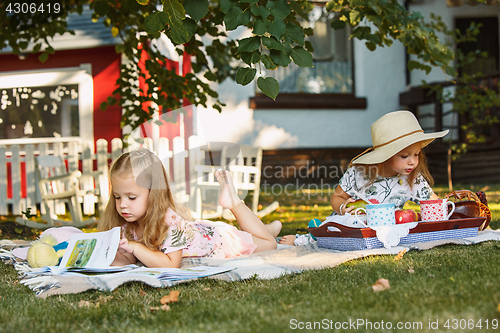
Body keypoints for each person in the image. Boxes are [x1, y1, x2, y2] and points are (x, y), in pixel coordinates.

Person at [280, 110, 449, 246]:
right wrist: (342, 208)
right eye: (405, 156)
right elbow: (337, 197)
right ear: (386, 155)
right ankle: (307, 237)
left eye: (417, 154)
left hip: (384, 231)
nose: (412, 161)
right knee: (334, 236)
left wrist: (447, 216)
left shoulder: (413, 178)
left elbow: (434, 205)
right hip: (352, 222)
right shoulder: (360, 173)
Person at [98, 147, 282, 268]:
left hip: (218, 242)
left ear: (153, 193)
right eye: (117, 197)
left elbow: (171, 265)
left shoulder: (168, 222)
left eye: (131, 197)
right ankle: (269, 229)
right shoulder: (125, 225)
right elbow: (128, 259)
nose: (122, 204)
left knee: (269, 244)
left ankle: (234, 202)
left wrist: (134, 248)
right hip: (200, 232)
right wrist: (107, 256)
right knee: (257, 236)